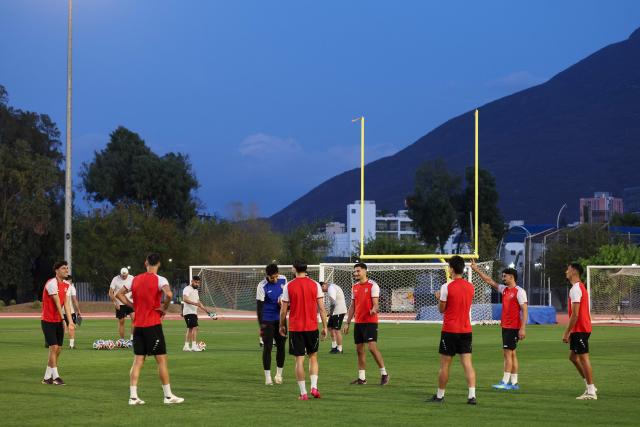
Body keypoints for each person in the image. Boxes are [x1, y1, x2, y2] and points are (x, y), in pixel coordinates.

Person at [116, 253, 183, 405]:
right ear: (158, 263)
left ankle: (133, 397)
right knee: (161, 361)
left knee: (138, 360)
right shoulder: (161, 280)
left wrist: (134, 306)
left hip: (138, 326)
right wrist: (164, 307)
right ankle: (168, 396)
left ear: (145, 262)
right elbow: (169, 294)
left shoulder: (134, 279)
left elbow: (119, 294)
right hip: (152, 325)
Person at [471, 260, 528, 390]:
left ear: (511, 277)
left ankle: (504, 382)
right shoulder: (505, 289)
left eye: (505, 276)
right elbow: (489, 281)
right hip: (506, 326)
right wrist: (476, 269)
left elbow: (524, 310)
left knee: (507, 353)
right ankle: (514, 383)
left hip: (513, 327)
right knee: (512, 354)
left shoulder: (520, 292)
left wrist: (523, 328)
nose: (503, 278)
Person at [427, 256, 477, 405]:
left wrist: (439, 298)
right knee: (467, 364)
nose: (448, 269)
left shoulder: (446, 287)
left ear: (452, 269)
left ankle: (440, 396)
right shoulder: (471, 287)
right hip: (466, 330)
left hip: (450, 330)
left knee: (444, 365)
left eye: (449, 267)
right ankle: (472, 396)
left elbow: (442, 309)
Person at [279, 260, 328, 400]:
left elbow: (283, 311)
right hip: (312, 327)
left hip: (296, 328)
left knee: (299, 360)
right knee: (313, 357)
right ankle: (314, 387)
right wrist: (324, 326)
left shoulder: (289, 286)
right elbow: (322, 308)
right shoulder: (315, 285)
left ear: (294, 269)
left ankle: (303, 393)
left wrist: (281, 325)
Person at [342, 262, 389, 385]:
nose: (356, 273)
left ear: (365, 271)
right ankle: (362, 378)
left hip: (370, 322)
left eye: (358, 271)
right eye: (355, 271)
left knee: (372, 348)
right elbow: (352, 306)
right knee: (359, 350)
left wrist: (374, 309)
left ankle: (384, 374)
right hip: (359, 322)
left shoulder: (373, 285)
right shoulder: (355, 287)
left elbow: (376, 303)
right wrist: (347, 322)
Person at [563, 262, 597, 400]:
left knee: (583, 358)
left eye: (568, 269)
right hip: (580, 329)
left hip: (581, 328)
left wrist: (566, 332)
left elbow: (575, 314)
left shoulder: (576, 289)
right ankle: (590, 386)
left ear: (574, 272)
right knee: (573, 358)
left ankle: (591, 391)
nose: (566, 272)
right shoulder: (579, 287)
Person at [41, 261, 75, 385]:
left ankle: (46, 377)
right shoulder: (51, 284)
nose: (66, 270)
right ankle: (56, 377)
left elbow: (65, 303)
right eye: (63, 268)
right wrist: (63, 320)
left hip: (58, 320)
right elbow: (56, 304)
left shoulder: (66, 285)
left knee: (58, 349)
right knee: (54, 347)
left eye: (67, 268)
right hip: (48, 320)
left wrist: (70, 321)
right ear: (56, 270)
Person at [256, 264, 287, 385]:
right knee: (267, 348)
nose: (275, 279)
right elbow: (259, 308)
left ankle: (279, 375)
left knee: (281, 347)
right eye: (272, 277)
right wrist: (261, 326)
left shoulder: (283, 279)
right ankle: (268, 377)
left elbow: (287, 299)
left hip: (281, 320)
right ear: (267, 276)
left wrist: (284, 304)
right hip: (267, 320)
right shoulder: (261, 286)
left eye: (276, 276)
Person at [182, 275, 207, 352]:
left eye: (198, 283)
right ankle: (193, 346)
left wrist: (206, 310)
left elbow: (198, 302)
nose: (197, 284)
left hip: (193, 312)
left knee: (190, 329)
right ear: (192, 281)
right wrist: (195, 304)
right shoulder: (187, 289)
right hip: (189, 312)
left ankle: (186, 346)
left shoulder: (195, 290)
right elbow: (185, 299)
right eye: (196, 282)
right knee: (195, 328)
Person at [321, 281, 347, 354]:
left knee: (336, 330)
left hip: (339, 311)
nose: (322, 292)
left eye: (321, 289)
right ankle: (334, 346)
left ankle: (340, 348)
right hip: (335, 311)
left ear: (323, 286)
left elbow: (333, 303)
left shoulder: (331, 289)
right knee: (330, 328)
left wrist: (330, 312)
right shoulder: (332, 287)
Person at [109, 267, 135, 340]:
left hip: (130, 302)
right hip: (120, 303)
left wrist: (134, 296)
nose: (124, 277)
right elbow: (111, 292)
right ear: (120, 274)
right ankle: (122, 340)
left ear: (128, 273)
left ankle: (132, 338)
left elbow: (135, 288)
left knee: (134, 319)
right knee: (121, 321)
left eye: (125, 275)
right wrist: (115, 302)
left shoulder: (132, 278)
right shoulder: (115, 279)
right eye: (122, 275)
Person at [64, 275, 82, 349]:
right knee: (71, 327)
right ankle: (71, 345)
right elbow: (74, 300)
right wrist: (79, 311)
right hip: (69, 310)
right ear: (70, 280)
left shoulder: (58, 285)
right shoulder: (71, 287)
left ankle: (51, 343)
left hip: (59, 310)